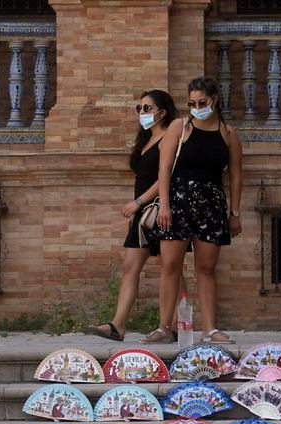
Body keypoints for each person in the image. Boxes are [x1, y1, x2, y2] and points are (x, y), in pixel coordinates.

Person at [147, 77, 242, 344]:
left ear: (215, 100)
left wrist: (234, 212)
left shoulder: (228, 133)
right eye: (192, 103)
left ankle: (210, 328)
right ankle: (165, 327)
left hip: (211, 202)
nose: (197, 107)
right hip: (178, 199)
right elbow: (164, 169)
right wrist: (164, 205)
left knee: (206, 267)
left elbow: (235, 175)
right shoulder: (180, 126)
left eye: (202, 102)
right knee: (170, 264)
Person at [89, 90, 185, 342]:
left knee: (172, 266)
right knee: (131, 266)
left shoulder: (169, 138)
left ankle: (177, 323)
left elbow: (165, 177)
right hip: (142, 212)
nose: (141, 113)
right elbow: (142, 178)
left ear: (162, 112)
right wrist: (137, 209)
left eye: (147, 108)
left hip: (160, 208)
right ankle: (117, 325)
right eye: (139, 109)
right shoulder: (145, 141)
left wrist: (138, 202)